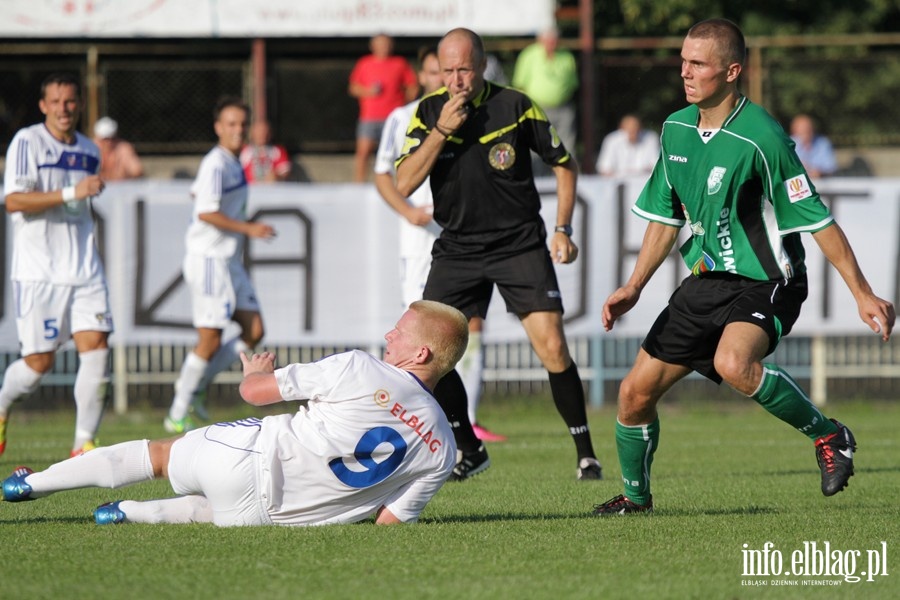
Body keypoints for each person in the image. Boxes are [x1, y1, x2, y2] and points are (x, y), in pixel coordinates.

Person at [593, 19, 895, 516]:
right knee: (633, 394)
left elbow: (817, 220)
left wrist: (862, 293)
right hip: (705, 282)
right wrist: (633, 286)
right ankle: (636, 499)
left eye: (698, 64)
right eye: (683, 61)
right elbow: (666, 220)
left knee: (735, 365)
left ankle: (829, 435)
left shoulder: (764, 137)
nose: (685, 72)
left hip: (768, 281)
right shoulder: (674, 129)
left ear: (732, 71)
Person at [1, 301, 466, 527]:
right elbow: (390, 522)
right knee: (208, 509)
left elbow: (257, 394)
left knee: (161, 455)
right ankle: (125, 513)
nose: (389, 334)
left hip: (246, 457)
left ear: (421, 352)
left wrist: (255, 369)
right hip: (273, 519)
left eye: (400, 332)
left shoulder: (360, 367)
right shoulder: (444, 447)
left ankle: (29, 484)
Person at [396, 28, 602, 480]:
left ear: (482, 64)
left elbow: (565, 164)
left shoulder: (514, 105)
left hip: (519, 243)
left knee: (552, 347)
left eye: (464, 69)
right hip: (458, 247)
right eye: (448, 71)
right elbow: (404, 183)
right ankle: (470, 449)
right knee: (428, 351)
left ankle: (586, 452)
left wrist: (563, 228)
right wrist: (440, 132)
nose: (456, 80)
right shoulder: (428, 112)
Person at [374, 46, 505, 443]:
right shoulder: (403, 117)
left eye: (450, 71)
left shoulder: (475, 114)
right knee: (422, 333)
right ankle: (417, 417)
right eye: (435, 72)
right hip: (421, 242)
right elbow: (384, 175)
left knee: (472, 325)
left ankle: (471, 416)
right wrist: (408, 211)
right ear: (423, 76)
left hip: (466, 239)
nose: (444, 79)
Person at [0, 73, 112, 458]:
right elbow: (13, 201)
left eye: (70, 101)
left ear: (79, 104)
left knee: (97, 347)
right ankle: (1, 405)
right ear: (43, 105)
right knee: (37, 366)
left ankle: (84, 445)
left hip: (85, 269)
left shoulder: (89, 150)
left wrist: (82, 196)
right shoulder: (27, 142)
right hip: (39, 272)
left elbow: (81, 202)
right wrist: (71, 192)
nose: (64, 109)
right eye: (56, 101)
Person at [164, 96, 277, 433]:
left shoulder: (230, 161)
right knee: (210, 338)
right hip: (210, 259)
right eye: (231, 124)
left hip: (229, 260)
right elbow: (205, 213)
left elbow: (200, 197)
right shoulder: (216, 162)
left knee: (254, 331)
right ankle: (177, 410)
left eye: (242, 124)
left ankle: (195, 389)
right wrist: (249, 228)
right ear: (218, 128)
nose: (238, 130)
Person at [348, 33, 419, 183]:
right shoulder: (364, 63)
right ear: (372, 46)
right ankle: (358, 184)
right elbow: (353, 88)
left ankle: (398, 183)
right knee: (363, 152)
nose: (383, 47)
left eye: (386, 44)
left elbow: (412, 86)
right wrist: (369, 92)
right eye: (380, 44)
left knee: (396, 152)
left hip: (392, 118)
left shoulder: (400, 63)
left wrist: (404, 104)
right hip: (369, 117)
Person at [512, 26, 579, 162]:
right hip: (536, 109)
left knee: (567, 146)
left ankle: (567, 178)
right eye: (548, 40)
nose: (551, 44)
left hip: (563, 109)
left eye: (554, 40)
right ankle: (537, 179)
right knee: (535, 146)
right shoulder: (529, 55)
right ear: (540, 40)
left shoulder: (567, 56)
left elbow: (573, 84)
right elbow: (519, 84)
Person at [595, 114, 660, 177]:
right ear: (621, 128)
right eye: (630, 130)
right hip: (618, 182)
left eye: (635, 129)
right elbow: (603, 168)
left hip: (644, 181)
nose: (633, 132)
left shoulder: (650, 138)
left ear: (640, 128)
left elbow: (657, 165)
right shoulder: (612, 140)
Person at [92, 116, 144, 180]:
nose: (109, 142)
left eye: (112, 138)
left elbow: (137, 171)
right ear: (98, 138)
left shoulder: (123, 148)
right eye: (105, 139)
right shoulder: (90, 149)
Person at [789, 113, 838, 178]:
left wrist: (820, 172)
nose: (807, 132)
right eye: (803, 130)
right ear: (794, 130)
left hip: (821, 183)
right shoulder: (788, 144)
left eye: (808, 129)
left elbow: (831, 167)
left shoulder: (823, 143)